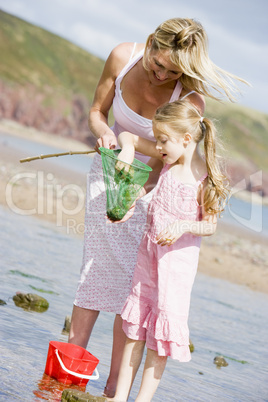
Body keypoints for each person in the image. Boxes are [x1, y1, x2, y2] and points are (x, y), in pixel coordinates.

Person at [68, 17, 247, 397]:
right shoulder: (122, 57)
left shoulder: (189, 99)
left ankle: (116, 386)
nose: (160, 73)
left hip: (153, 193)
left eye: (172, 71)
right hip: (109, 170)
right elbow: (98, 113)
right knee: (95, 267)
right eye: (157, 62)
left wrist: (139, 190)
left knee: (133, 286)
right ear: (149, 43)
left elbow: (175, 160)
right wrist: (105, 136)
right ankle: (70, 365)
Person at [108, 99, 229, 401]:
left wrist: (184, 226)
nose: (159, 146)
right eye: (157, 139)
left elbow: (210, 226)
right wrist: (135, 197)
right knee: (134, 332)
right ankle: (119, 397)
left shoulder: (204, 182)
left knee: (158, 341)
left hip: (175, 271)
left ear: (186, 140)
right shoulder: (167, 166)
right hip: (146, 262)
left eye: (163, 140)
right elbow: (129, 141)